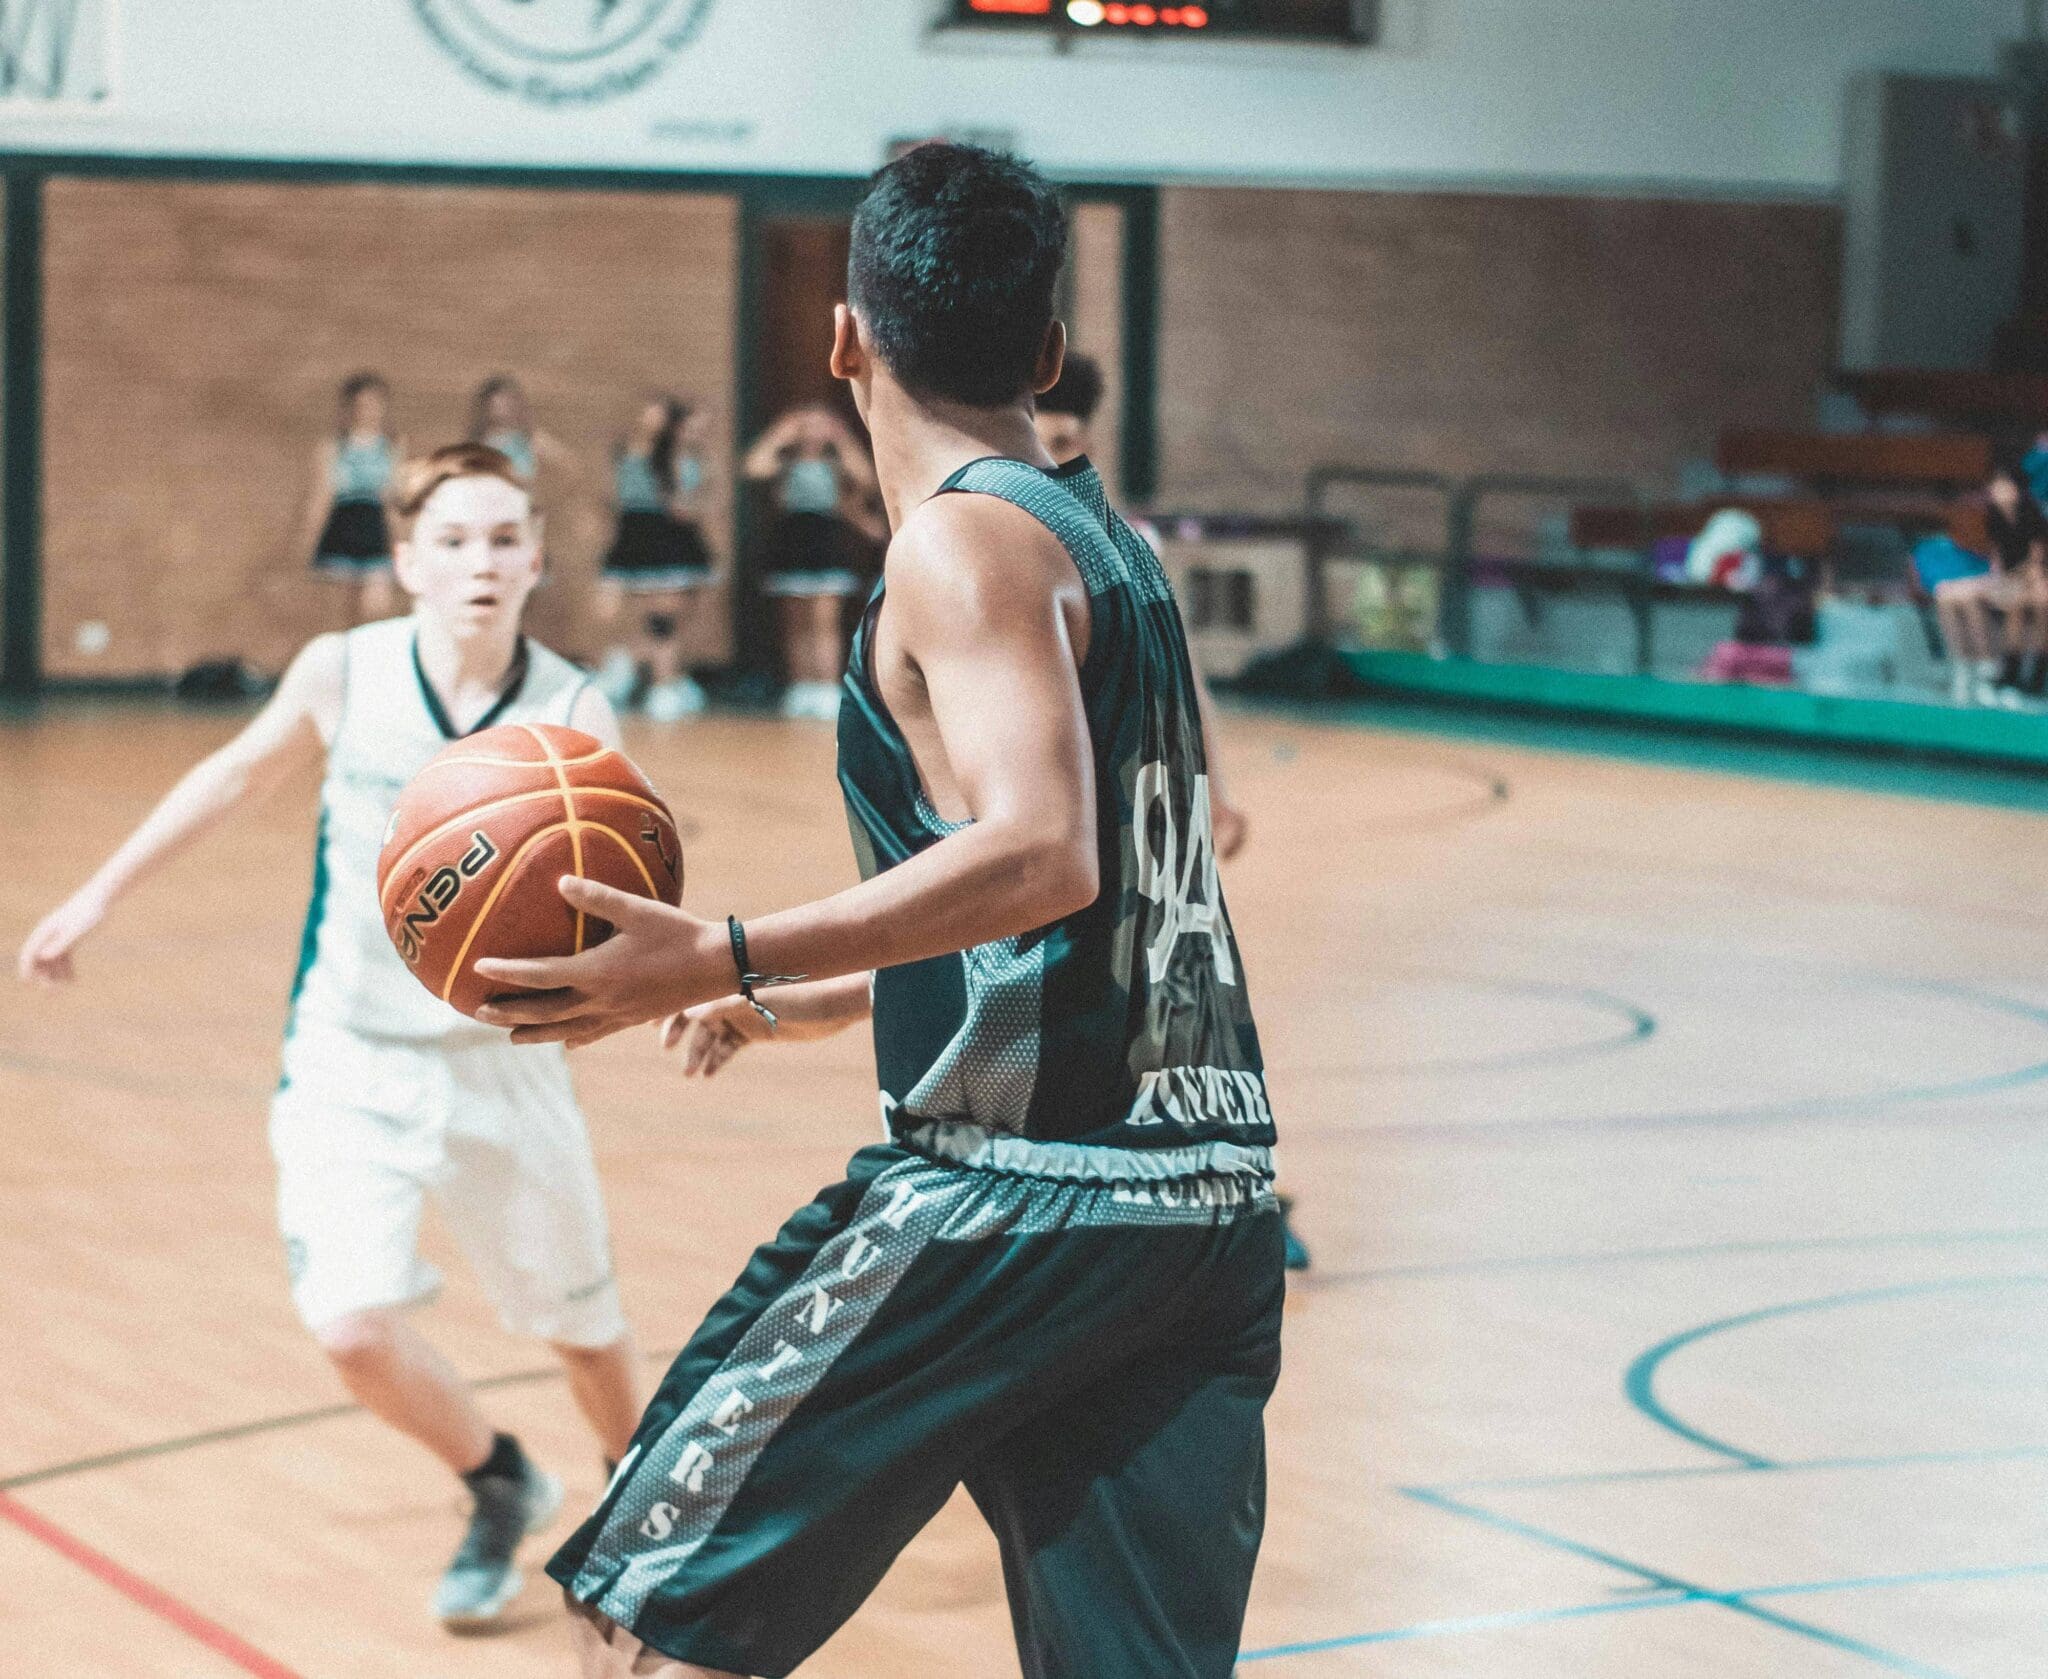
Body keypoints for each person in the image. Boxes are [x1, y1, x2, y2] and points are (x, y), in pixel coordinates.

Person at [476, 142, 1284, 1679]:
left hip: (1018, 1204)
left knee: (643, 1610)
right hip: (1206, 1209)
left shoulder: (960, 542)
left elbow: (1043, 852)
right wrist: (828, 994)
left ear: (845, 340)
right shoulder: (1107, 543)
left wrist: (719, 950)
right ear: (1047, 352)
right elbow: (1094, 905)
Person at [18, 444, 644, 1632]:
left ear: (536, 558)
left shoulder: (571, 709)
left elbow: (617, 892)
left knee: (583, 1330)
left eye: (503, 538)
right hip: (350, 1054)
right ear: (405, 561)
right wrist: (95, 894)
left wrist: (647, 983)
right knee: (352, 1329)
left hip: (504, 1060)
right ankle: (498, 1480)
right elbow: (233, 775)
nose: (479, 562)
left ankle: (639, 1509)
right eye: (452, 540)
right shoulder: (347, 668)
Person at [1037, 352, 1306, 1268]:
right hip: (1068, 827)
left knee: (1180, 1022)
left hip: (1141, 826)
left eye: (1066, 437)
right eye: (1042, 433)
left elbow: (1184, 679)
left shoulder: (1128, 545)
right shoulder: (1001, 538)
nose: (1051, 451)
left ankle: (1243, 1197)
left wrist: (1217, 789)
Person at [741, 403, 880, 720]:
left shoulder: (835, 464)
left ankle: (826, 686)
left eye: (821, 424)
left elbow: (866, 478)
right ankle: (801, 686)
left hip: (825, 540)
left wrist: (843, 440)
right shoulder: (784, 463)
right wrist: (779, 436)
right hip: (791, 540)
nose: (814, 430)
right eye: (807, 424)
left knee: (824, 620)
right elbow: (753, 468)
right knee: (796, 621)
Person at [594, 395, 717, 722]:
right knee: (634, 616)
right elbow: (608, 497)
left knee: (667, 619)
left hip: (670, 541)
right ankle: (636, 669)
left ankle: (664, 682)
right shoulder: (624, 452)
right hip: (634, 537)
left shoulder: (676, 457)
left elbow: (686, 504)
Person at [1934, 458, 2048, 708]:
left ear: (2015, 488)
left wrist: (2016, 582)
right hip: (2005, 577)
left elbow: (2036, 562)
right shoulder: (1994, 517)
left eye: (2001, 485)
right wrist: (1994, 581)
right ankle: (1968, 665)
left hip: (2029, 578)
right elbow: (1996, 559)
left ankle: (2007, 672)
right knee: (1946, 593)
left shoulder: (2032, 516)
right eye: (1995, 486)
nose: (1996, 491)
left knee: (2023, 601)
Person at [296, 371, 403, 626]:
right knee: (338, 618)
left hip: (375, 533)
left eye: (375, 404)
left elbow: (394, 501)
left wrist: (400, 543)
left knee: (376, 613)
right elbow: (321, 497)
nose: (368, 411)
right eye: (362, 404)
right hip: (341, 531)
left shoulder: (391, 448)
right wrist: (307, 541)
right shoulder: (333, 447)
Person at [469, 373, 576, 489]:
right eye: (498, 404)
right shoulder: (479, 443)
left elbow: (568, 465)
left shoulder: (529, 439)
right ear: (487, 407)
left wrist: (546, 493)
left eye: (507, 402)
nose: (504, 408)